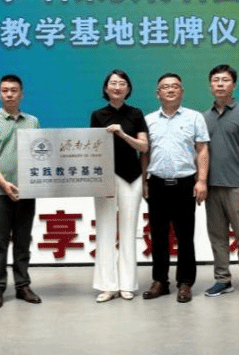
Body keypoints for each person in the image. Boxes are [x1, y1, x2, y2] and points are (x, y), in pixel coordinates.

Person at [141, 73, 209, 303]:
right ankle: (160, 281)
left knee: (185, 236)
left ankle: (185, 283)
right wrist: (144, 181)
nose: (170, 90)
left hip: (185, 183)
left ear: (182, 91)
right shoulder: (148, 120)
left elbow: (202, 150)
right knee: (158, 236)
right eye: (165, 87)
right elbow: (145, 153)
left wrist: (201, 180)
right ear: (157, 93)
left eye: (175, 86)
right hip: (157, 183)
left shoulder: (194, 117)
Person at [0, 74, 41, 309]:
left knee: (23, 242)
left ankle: (23, 285)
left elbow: (40, 153)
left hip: (27, 190)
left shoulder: (32, 121)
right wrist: (4, 184)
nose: (9, 94)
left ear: (21, 94)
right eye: (5, 90)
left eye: (14, 90)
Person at [202, 65, 239, 301]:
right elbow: (201, 152)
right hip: (212, 187)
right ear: (210, 86)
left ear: (233, 85)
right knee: (217, 237)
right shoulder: (204, 117)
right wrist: (201, 182)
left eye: (225, 80)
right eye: (215, 80)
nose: (220, 84)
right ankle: (222, 279)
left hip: (238, 186)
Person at [90, 70, 149, 303]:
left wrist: (123, 134)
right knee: (105, 229)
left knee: (128, 230)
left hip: (131, 177)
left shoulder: (136, 114)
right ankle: (107, 286)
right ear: (106, 88)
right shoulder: (97, 115)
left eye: (122, 83)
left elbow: (143, 147)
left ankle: (127, 284)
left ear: (128, 88)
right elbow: (91, 147)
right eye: (113, 83)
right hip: (104, 178)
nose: (117, 87)